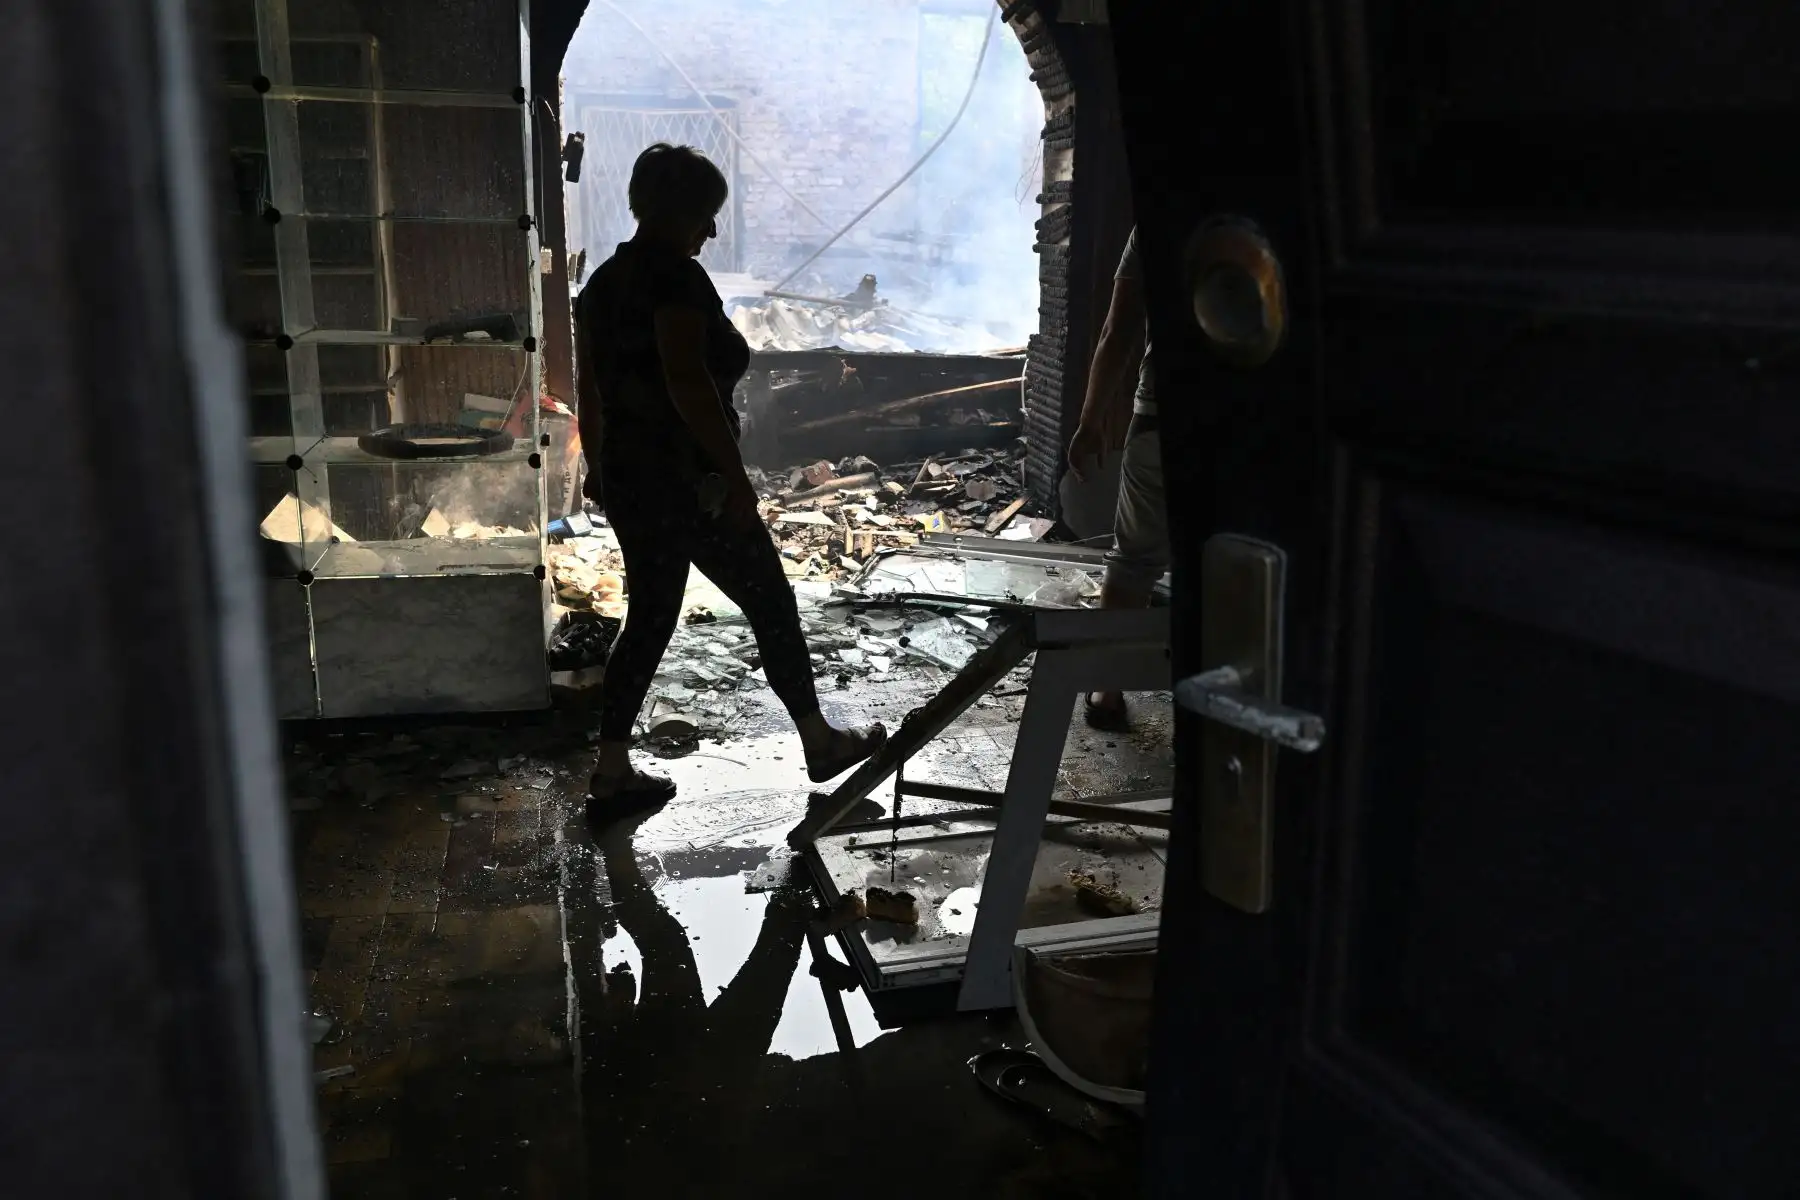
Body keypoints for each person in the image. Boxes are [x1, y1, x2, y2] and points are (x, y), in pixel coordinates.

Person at [574, 143, 884, 815]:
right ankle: (819, 741)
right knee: (769, 599)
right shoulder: (676, 280)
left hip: (630, 475)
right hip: (688, 480)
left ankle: (612, 767)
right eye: (705, 215)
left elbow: (589, 391)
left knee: (651, 614)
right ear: (677, 211)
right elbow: (687, 381)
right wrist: (733, 475)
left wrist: (597, 465)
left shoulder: (601, 284)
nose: (710, 231)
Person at [1066, 225, 1167, 730]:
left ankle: (1107, 691)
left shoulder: (1155, 222)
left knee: (1133, 561)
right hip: (1255, 424)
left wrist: (1090, 423)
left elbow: (1118, 330)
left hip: (1161, 418)